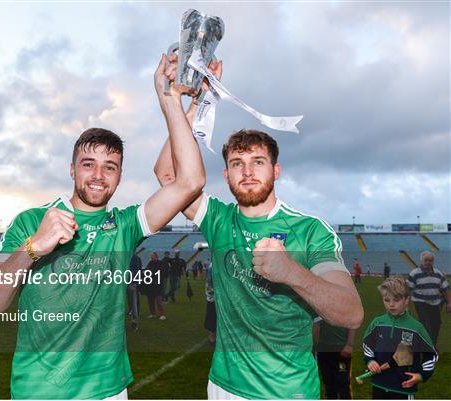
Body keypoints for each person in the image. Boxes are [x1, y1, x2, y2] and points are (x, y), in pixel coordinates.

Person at [0, 55, 205, 400]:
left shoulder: (124, 225)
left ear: (120, 176)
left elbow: (190, 180)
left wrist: (173, 100)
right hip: (42, 392)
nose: (97, 176)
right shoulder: (33, 221)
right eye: (88, 164)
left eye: (110, 167)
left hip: (110, 389)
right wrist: (33, 248)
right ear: (73, 169)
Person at [154, 55, 363, 400]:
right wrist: (196, 104)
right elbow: (167, 176)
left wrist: (291, 272)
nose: (247, 172)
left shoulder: (310, 230)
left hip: (287, 391)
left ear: (276, 171)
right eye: (237, 164)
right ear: (226, 175)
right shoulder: (219, 218)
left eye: (257, 162)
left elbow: (351, 313)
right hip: (224, 386)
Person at [362, 276, 438, 399]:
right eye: (386, 300)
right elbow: (367, 344)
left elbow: (432, 355)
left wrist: (421, 375)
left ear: (406, 300)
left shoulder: (416, 328)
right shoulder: (377, 323)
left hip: (403, 388)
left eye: (396, 300)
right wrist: (370, 360)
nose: (391, 304)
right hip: (378, 385)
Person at [407, 251, 450, 345]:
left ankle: (432, 345)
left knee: (436, 325)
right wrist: (406, 305)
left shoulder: (439, 273)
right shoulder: (414, 273)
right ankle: (428, 347)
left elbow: (445, 290)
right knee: (426, 325)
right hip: (421, 303)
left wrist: (449, 303)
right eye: (426, 260)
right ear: (421, 260)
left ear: (433, 261)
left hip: (435, 304)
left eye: (430, 260)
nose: (428, 262)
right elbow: (407, 290)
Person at [313, 318, 356, 399]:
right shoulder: (320, 306)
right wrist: (316, 346)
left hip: (341, 352)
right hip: (324, 351)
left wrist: (349, 345)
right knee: (328, 383)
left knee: (343, 383)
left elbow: (352, 325)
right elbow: (316, 326)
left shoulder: (345, 306)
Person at [141, 252, 165, 320]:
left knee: (158, 300)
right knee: (150, 300)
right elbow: (147, 270)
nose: (151, 257)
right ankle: (153, 313)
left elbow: (160, 272)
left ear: (156, 256)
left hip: (157, 284)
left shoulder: (160, 263)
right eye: (151, 256)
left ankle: (162, 314)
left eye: (153, 256)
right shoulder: (150, 263)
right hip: (150, 284)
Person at [127, 253, 142, 331]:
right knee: (132, 303)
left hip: (131, 283)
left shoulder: (134, 257)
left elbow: (136, 271)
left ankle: (134, 322)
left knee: (133, 303)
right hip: (124, 282)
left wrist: (132, 282)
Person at [204, 262, 216, 345]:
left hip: (225, 297)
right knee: (212, 318)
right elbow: (209, 283)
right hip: (214, 297)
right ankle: (212, 337)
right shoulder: (213, 266)